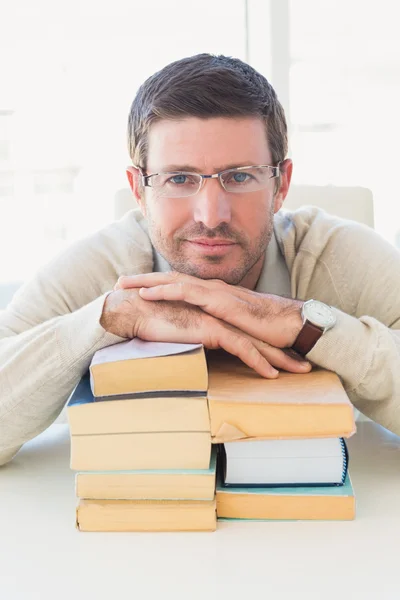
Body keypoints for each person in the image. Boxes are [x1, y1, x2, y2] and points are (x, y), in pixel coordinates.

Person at [1, 53, 400, 466]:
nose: (211, 216)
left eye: (240, 176)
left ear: (281, 185)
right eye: (178, 179)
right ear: (139, 190)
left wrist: (307, 325)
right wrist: (106, 320)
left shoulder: (333, 254)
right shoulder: (104, 264)